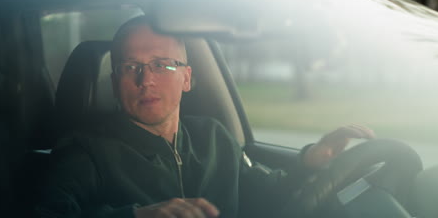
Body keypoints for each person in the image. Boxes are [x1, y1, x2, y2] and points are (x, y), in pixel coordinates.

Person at [35, 16, 375, 218]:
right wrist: (136, 216)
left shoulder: (213, 136)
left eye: (161, 65)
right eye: (130, 67)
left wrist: (311, 161)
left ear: (187, 77)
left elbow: (266, 194)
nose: (146, 79)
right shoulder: (85, 151)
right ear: (114, 81)